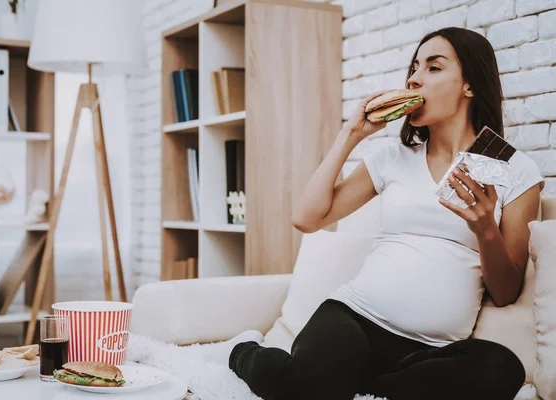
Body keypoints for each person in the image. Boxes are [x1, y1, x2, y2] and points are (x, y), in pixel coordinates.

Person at [228, 27, 545, 400]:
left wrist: (484, 230)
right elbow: (307, 219)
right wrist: (351, 134)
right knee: (305, 388)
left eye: (433, 67)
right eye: (413, 67)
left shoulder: (516, 170)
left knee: (502, 367)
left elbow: (506, 293)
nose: (414, 78)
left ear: (470, 85)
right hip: (354, 318)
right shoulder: (391, 159)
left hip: (430, 351)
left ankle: (361, 387)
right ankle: (245, 352)